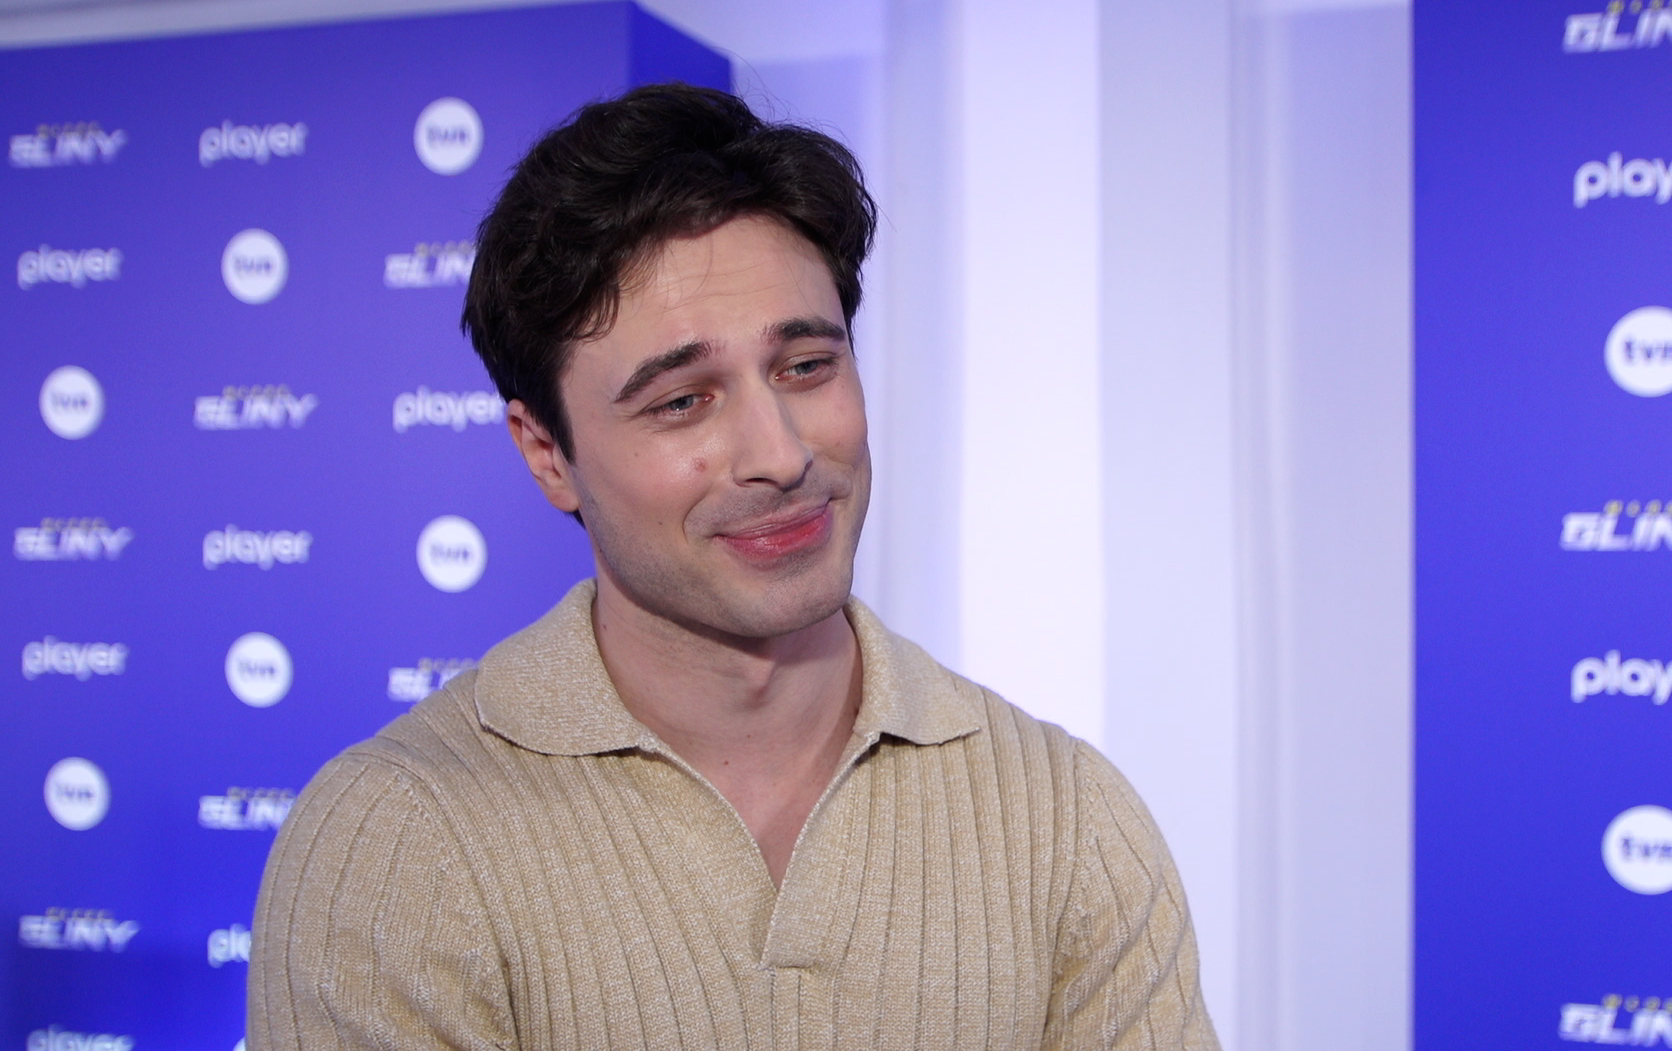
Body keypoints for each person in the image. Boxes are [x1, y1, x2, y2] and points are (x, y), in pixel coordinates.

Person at [248, 83, 1216, 1050]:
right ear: (547, 455)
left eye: (807, 367)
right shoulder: (396, 842)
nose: (780, 455)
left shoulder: (1066, 820)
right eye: (682, 402)